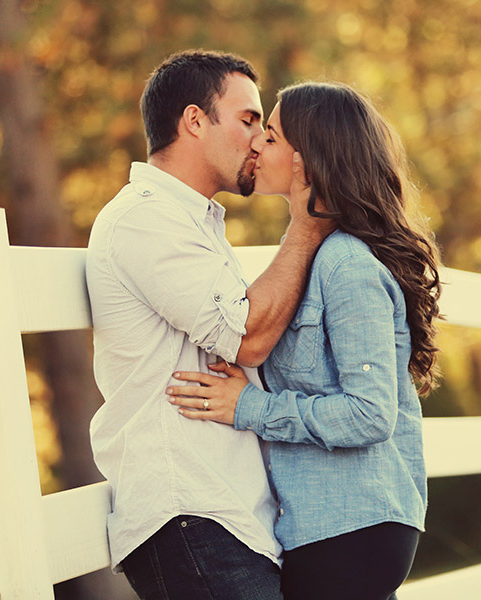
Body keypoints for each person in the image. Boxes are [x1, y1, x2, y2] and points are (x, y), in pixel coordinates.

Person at [167, 81, 441, 600]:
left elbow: (369, 413)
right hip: (332, 524)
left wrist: (250, 407)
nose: (255, 146)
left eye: (269, 137)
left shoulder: (346, 264)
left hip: (352, 523)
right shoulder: (314, 259)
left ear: (307, 159)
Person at [86, 51, 332, 599]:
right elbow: (247, 337)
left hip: (228, 518)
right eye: (249, 120)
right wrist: (307, 225)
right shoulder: (146, 218)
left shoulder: (195, 223)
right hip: (188, 514)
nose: (260, 140)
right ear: (195, 121)